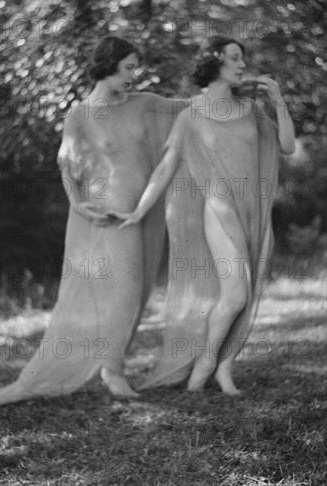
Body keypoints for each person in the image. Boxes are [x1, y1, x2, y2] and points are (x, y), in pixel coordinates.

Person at [0, 36, 187, 407]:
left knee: (136, 293)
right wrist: (78, 205)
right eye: (128, 68)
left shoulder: (146, 104)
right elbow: (68, 168)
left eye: (136, 67)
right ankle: (113, 372)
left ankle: (111, 366)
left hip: (143, 212)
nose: (133, 76)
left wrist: (231, 94)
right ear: (107, 66)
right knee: (123, 291)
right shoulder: (81, 115)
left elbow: (191, 109)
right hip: (104, 215)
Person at [112, 37, 296, 395]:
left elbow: (287, 145)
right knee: (235, 295)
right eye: (234, 58)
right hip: (219, 209)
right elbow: (165, 169)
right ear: (215, 63)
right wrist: (138, 210)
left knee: (248, 291)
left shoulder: (251, 109)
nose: (241, 65)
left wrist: (278, 100)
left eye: (242, 58)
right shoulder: (191, 115)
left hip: (255, 210)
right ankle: (207, 363)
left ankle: (225, 368)